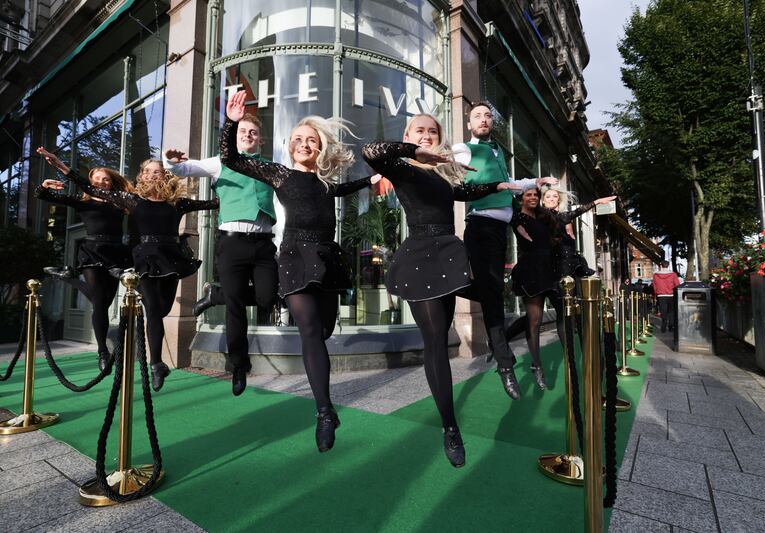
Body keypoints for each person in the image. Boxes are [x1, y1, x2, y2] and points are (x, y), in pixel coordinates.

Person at [220, 90, 378, 453]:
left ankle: (325, 409)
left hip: (326, 256)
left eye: (311, 140)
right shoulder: (277, 173)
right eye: (297, 140)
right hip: (292, 254)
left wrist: (372, 180)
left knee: (322, 330)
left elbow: (345, 187)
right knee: (308, 331)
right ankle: (324, 411)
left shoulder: (325, 183)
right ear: (290, 148)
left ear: (320, 147)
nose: (304, 144)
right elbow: (230, 158)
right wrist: (231, 123)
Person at [362, 114, 519, 468]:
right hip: (419, 256)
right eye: (421, 130)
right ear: (408, 136)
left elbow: (462, 192)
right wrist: (413, 151)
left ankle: (503, 357)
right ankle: (450, 427)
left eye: (433, 131)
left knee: (494, 290)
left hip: (448, 252)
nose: (428, 136)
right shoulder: (402, 169)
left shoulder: (444, 174)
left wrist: (495, 188)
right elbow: (371, 151)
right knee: (435, 340)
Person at [37, 148, 218, 391]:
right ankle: (156, 363)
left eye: (159, 172)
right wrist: (61, 165)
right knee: (153, 310)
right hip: (144, 258)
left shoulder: (178, 203)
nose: (154, 175)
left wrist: (226, 177)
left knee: (162, 309)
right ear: (142, 177)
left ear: (166, 176)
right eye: (149, 172)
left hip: (171, 258)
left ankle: (155, 361)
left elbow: (214, 202)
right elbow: (90, 189)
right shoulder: (133, 201)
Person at [163, 112, 280, 396]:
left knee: (268, 297)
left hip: (264, 243)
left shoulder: (271, 167)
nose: (248, 136)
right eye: (243, 132)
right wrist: (170, 160)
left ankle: (217, 295)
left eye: (253, 132)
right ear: (236, 136)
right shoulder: (220, 162)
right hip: (232, 244)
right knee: (236, 308)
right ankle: (239, 364)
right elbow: (182, 170)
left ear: (260, 139)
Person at [452, 102, 557, 400]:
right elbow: (454, 182)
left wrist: (532, 186)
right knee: (493, 296)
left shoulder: (497, 151)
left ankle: (450, 287)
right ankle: (505, 364)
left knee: (492, 292)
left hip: (499, 230)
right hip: (480, 227)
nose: (483, 120)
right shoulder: (463, 149)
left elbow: (509, 187)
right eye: (477, 116)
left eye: (487, 115)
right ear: (468, 121)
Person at [507, 184, 616, 389]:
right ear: (521, 198)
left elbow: (572, 214)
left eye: (535, 195)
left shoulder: (548, 218)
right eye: (529, 195)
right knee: (534, 320)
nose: (533, 197)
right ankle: (536, 366)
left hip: (552, 272)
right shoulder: (517, 216)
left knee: (563, 313)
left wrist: (595, 203)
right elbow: (509, 217)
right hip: (531, 270)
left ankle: (572, 359)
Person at [34, 168, 133, 371]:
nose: (101, 182)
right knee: (98, 301)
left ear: (111, 182)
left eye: (105, 179)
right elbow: (43, 195)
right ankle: (102, 352)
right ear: (90, 183)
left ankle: (67, 276)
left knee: (105, 303)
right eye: (96, 179)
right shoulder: (83, 202)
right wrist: (44, 186)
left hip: (115, 253)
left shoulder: (120, 202)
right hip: (92, 252)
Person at [652, 261, 681, 332]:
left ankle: (663, 327)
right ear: (668, 266)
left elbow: (654, 285)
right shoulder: (673, 274)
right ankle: (671, 326)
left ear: (661, 265)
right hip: (671, 295)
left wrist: (657, 292)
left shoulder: (655, 275)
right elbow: (677, 284)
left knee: (663, 312)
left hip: (661, 295)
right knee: (671, 311)